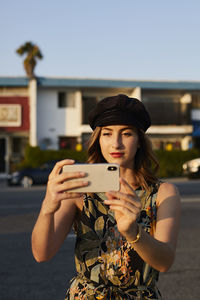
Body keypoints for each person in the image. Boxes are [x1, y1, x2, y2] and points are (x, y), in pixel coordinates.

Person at [31, 94, 181, 299]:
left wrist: (132, 231)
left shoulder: (163, 193)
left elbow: (164, 262)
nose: (116, 143)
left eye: (126, 134)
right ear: (98, 140)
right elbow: (42, 253)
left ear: (139, 141)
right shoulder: (79, 190)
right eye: (107, 134)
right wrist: (48, 206)